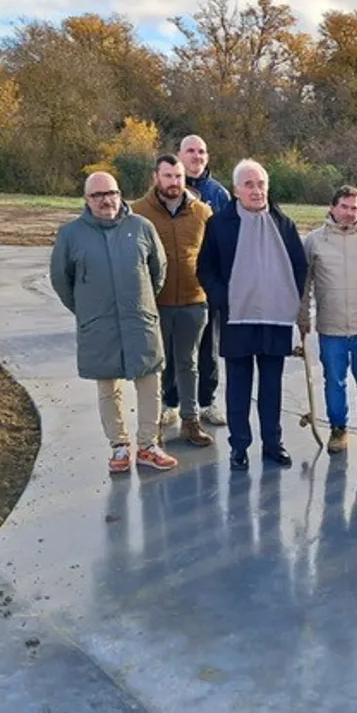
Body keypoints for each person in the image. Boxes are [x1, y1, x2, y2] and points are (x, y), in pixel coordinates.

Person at [49, 171, 178, 474]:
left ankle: (148, 446)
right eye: (98, 195)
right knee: (108, 387)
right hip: (99, 324)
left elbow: (158, 271)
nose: (106, 200)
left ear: (120, 195)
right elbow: (60, 280)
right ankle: (119, 446)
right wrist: (85, 310)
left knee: (150, 383)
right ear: (86, 200)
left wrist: (141, 302)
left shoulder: (141, 227)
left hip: (139, 321)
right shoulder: (71, 234)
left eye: (112, 193)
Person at [197, 158, 308, 470]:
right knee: (238, 386)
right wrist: (225, 299)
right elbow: (205, 269)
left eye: (261, 184)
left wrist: (288, 297)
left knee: (272, 385)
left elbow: (299, 266)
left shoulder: (283, 224)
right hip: (237, 319)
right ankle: (239, 446)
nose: (256, 190)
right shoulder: (219, 224)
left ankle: (273, 443)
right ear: (235, 190)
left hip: (274, 319)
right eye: (249, 184)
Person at [298, 185, 357, 456]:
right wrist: (303, 317)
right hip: (331, 326)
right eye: (345, 207)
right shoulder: (314, 241)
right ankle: (338, 429)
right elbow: (304, 284)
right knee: (334, 381)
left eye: (355, 208)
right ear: (333, 207)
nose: (350, 213)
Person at [131, 154, 213, 446]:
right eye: (167, 176)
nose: (174, 182)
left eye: (178, 177)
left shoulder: (202, 212)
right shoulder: (138, 213)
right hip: (155, 303)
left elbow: (213, 255)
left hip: (194, 301)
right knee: (155, 365)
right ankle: (153, 425)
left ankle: (190, 421)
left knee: (189, 363)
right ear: (156, 177)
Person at [168, 133, 230, 429]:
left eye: (201, 151)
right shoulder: (165, 190)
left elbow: (230, 241)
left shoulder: (218, 195)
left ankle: (207, 402)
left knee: (207, 348)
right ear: (179, 155)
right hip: (170, 287)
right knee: (170, 347)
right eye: (190, 151)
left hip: (206, 288)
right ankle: (170, 402)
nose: (196, 156)